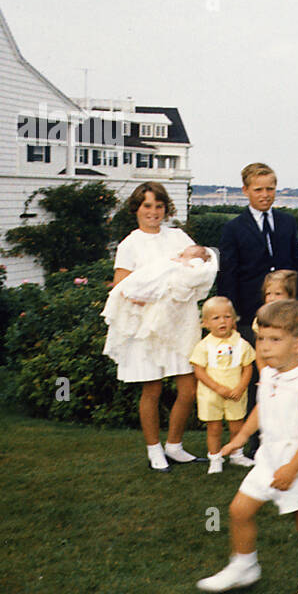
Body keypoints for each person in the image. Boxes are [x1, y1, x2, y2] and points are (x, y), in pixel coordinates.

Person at [197, 299, 298, 594]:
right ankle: (244, 566)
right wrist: (241, 436)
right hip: (267, 461)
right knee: (239, 511)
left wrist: (293, 469)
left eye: (274, 340)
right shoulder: (268, 373)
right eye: (260, 339)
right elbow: (261, 407)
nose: (264, 347)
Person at [102, 182, 215, 472]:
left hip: (180, 325)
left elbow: (198, 266)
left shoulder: (178, 237)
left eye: (159, 206)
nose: (153, 212)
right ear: (137, 209)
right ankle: (154, 450)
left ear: (166, 208)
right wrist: (153, 292)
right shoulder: (130, 244)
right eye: (147, 206)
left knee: (188, 388)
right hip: (146, 328)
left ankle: (174, 446)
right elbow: (122, 287)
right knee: (151, 390)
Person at [217, 162, 298, 345]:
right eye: (258, 189)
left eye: (270, 189)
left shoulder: (287, 222)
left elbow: (295, 265)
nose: (265, 195)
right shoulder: (233, 228)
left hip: (286, 312)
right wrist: (231, 316)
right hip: (249, 313)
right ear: (245, 190)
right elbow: (228, 275)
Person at [189, 296, 256, 475]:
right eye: (216, 318)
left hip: (235, 393)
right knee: (214, 428)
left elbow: (248, 367)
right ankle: (215, 457)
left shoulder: (242, 344)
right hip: (212, 394)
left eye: (227, 317)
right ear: (206, 323)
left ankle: (237, 454)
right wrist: (218, 388)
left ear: (233, 320)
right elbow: (199, 370)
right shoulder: (204, 346)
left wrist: (241, 387)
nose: (222, 321)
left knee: (237, 426)